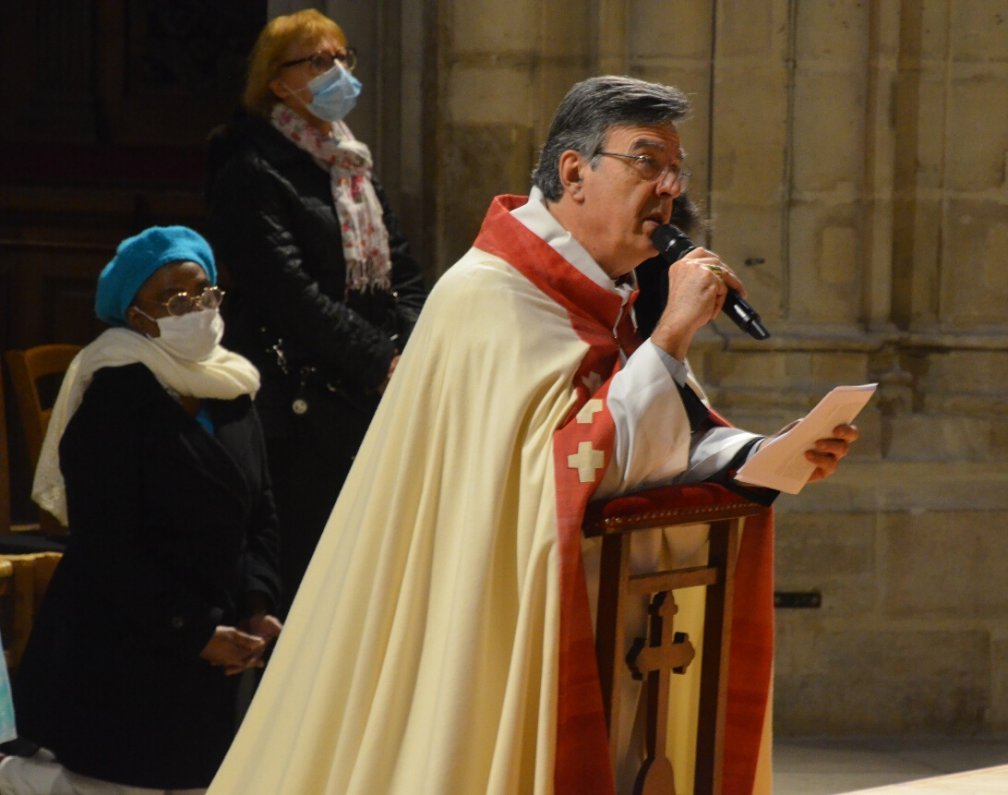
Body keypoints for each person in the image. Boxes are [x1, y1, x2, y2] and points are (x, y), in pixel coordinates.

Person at [209, 76, 857, 795]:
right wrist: (670, 335)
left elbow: (647, 430)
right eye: (648, 162)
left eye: (677, 171)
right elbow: (558, 469)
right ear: (575, 170)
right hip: (480, 632)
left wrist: (761, 457)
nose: (669, 189)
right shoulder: (489, 295)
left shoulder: (602, 296)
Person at [0, 226, 282, 794]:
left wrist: (258, 603)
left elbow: (261, 515)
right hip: (126, 658)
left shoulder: (231, 391)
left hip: (217, 649)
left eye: (205, 294)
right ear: (135, 317)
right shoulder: (114, 401)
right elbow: (110, 551)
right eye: (175, 300)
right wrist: (196, 632)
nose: (196, 310)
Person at [204, 9, 427, 606]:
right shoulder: (251, 168)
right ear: (279, 82)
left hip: (365, 389)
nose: (338, 73)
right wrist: (382, 361)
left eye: (342, 58)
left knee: (369, 580)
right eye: (319, 61)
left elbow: (402, 268)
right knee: (308, 578)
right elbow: (289, 294)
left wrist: (412, 347)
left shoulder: (349, 162)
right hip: (296, 400)